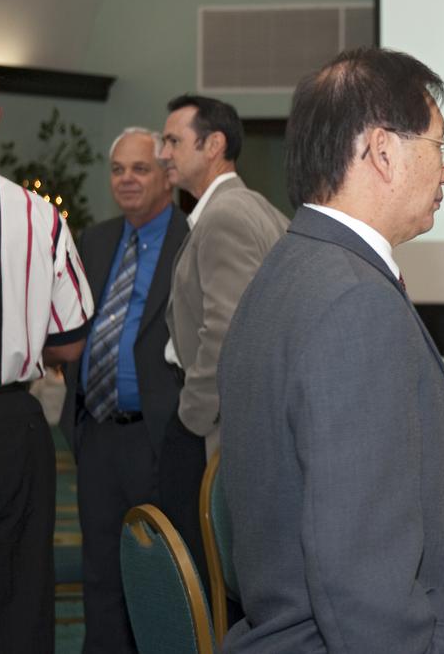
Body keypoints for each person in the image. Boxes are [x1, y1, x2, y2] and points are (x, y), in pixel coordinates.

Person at [217, 47, 444, 652]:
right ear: (383, 150)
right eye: (440, 147)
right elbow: (362, 576)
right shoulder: (355, 301)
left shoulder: (288, 271)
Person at [0, 58, 93, 654]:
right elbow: (71, 340)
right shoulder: (37, 214)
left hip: (7, 426)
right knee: (15, 603)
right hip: (7, 430)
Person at [61, 127, 190, 653]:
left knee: (163, 579)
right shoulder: (94, 239)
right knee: (100, 577)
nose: (127, 180)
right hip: (97, 437)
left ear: (166, 176)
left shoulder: (191, 239)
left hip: (162, 438)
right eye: (118, 170)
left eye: (140, 168)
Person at [159, 94, 288, 571]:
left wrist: (190, 418)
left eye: (174, 140)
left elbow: (226, 333)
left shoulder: (225, 216)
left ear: (214, 144)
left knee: (204, 573)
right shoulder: (254, 206)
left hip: (215, 426)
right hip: (241, 421)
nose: (164, 153)